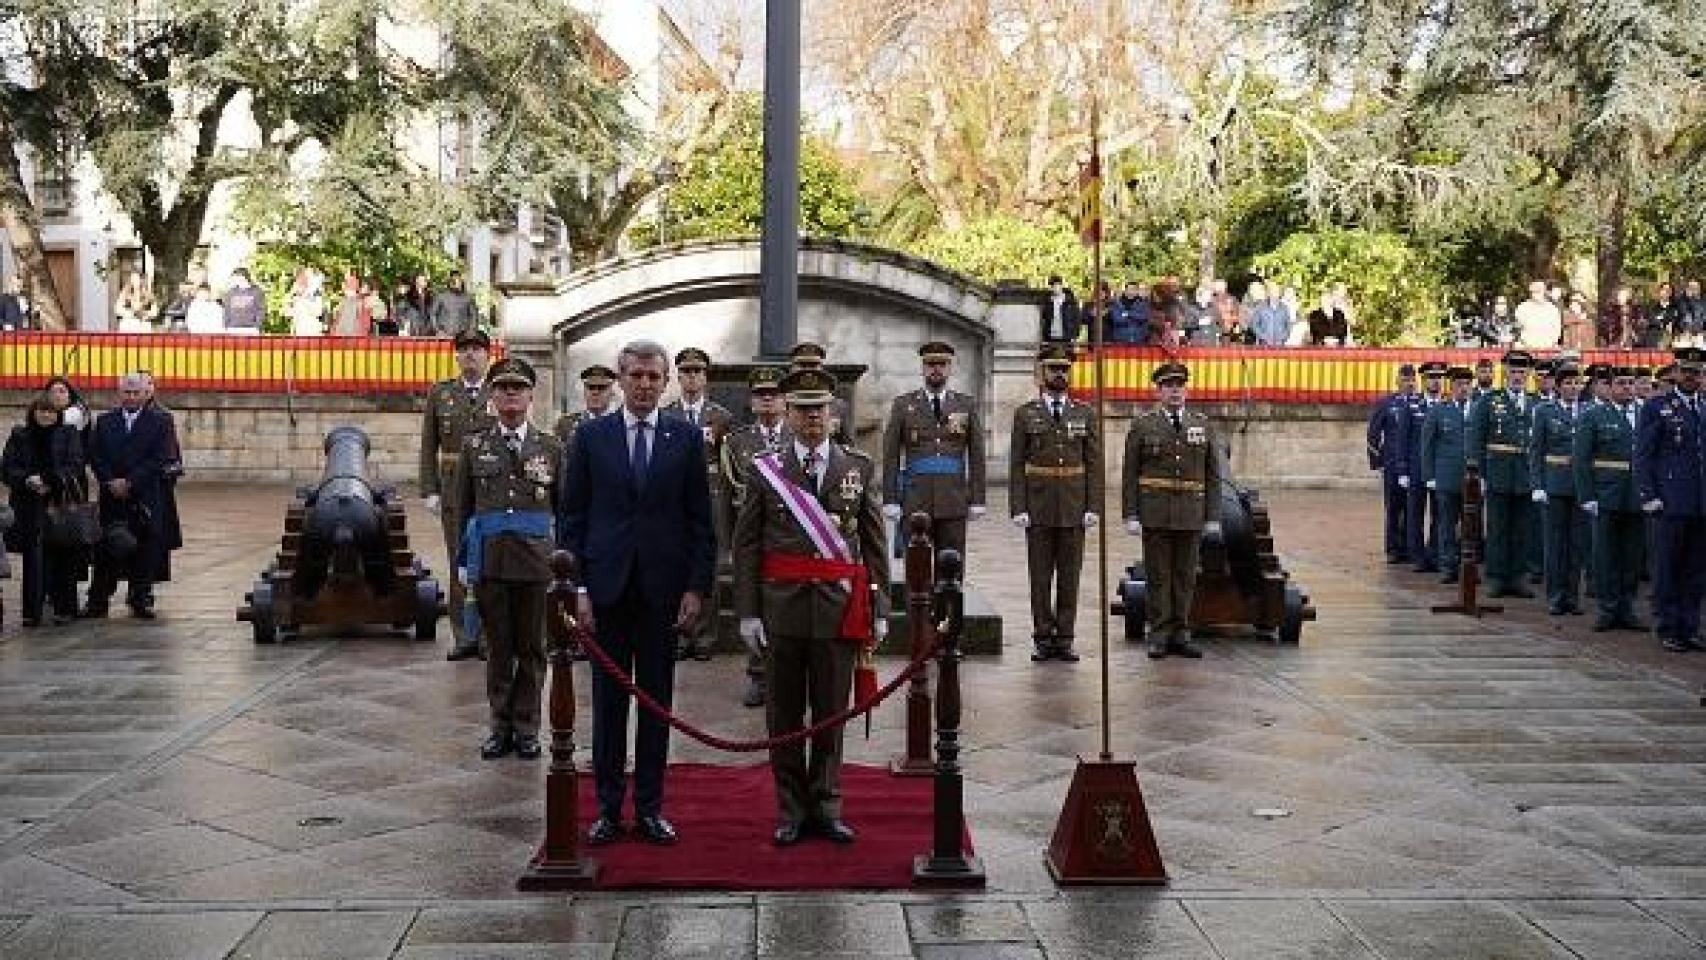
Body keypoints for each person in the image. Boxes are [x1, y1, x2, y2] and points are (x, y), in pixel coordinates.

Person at [559, 339, 715, 847]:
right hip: (605, 589)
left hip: (661, 591)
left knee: (655, 701)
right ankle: (607, 808)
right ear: (621, 380)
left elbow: (700, 522)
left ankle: (650, 807)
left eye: (653, 377)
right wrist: (577, 587)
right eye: (636, 376)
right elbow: (573, 518)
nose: (645, 385)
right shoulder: (591, 437)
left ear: (665, 380)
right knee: (607, 703)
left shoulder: (686, 439)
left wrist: (696, 587)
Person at [732, 366, 886, 847]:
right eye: (801, 408)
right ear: (788, 413)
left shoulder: (857, 468)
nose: (811, 416)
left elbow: (875, 545)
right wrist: (749, 612)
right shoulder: (765, 470)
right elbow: (747, 546)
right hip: (782, 611)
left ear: (833, 413)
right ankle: (791, 809)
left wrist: (879, 610)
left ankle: (827, 803)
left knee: (830, 713)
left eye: (818, 407)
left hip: (840, 610)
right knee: (783, 715)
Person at [451, 357, 560, 761]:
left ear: (531, 395)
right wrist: (463, 561)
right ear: (492, 396)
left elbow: (561, 510)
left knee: (532, 649)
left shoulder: (551, 447)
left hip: (535, 564)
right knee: (497, 649)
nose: (510, 394)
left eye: (518, 387)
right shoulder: (474, 446)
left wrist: (563, 564)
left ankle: (528, 728)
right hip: (491, 562)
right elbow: (462, 509)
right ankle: (500, 726)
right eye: (502, 387)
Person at [1121, 361, 1221, 658]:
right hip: (1156, 511)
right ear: (1159, 390)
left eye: (1180, 386)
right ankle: (1160, 633)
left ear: (1186, 390)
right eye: (1169, 386)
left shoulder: (1201, 424)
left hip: (1190, 512)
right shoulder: (1143, 425)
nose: (1175, 391)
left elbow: (1212, 474)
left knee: (1185, 576)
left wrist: (1212, 516)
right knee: (1158, 575)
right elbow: (1130, 473)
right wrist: (1131, 513)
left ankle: (1181, 631)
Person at [1010, 343, 1100, 662]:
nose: (1059, 374)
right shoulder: (1026, 414)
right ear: (1042, 373)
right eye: (1053, 369)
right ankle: (1042, 637)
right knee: (1040, 576)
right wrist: (1018, 507)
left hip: (1074, 506)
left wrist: (1093, 507)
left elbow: (1094, 464)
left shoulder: (1085, 413)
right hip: (1038, 505)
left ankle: (1065, 637)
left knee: (1070, 576)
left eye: (1064, 369)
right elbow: (1016, 465)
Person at [420, 329, 495, 660]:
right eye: (464, 350)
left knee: (490, 562)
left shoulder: (499, 390)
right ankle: (463, 635)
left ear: (487, 355)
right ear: (456, 356)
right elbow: (428, 445)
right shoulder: (442, 393)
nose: (470, 355)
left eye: (477, 349)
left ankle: (488, 637)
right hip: (452, 488)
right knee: (459, 562)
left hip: (489, 485)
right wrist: (430, 489)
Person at [720, 367, 790, 707]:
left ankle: (790, 676)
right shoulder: (737, 442)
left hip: (791, 535)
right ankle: (759, 674)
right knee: (754, 602)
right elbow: (728, 494)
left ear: (784, 399)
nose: (767, 398)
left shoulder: (798, 437)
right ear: (751, 400)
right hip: (753, 534)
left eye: (774, 393)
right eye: (760, 393)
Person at [881, 342, 986, 561]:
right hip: (916, 498)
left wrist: (977, 498)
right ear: (923, 367)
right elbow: (890, 455)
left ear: (950, 368)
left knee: (952, 567)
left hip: (953, 498)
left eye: (942, 364)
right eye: (930, 364)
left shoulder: (965, 404)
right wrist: (889, 498)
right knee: (916, 570)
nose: (936, 369)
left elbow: (976, 455)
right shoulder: (903, 405)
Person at [662, 347, 734, 662]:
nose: (692, 378)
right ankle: (680, 632)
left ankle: (705, 634)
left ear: (705, 377)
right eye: (686, 372)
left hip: (712, 493)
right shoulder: (667, 415)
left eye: (698, 372)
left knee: (711, 564)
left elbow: (729, 462)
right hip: (675, 495)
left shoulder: (721, 417)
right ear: (678, 377)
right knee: (676, 561)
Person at [82, 372, 173, 619]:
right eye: (126, 392)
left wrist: (131, 482)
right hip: (112, 496)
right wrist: (110, 481)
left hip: (144, 496)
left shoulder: (160, 422)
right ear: (119, 393)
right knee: (106, 549)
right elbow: (95, 455)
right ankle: (98, 600)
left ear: (146, 394)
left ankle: (140, 598)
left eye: (136, 393)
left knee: (146, 548)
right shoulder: (105, 421)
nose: (131, 397)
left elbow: (161, 458)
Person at [1635, 348, 1706, 652]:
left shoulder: (1703, 407)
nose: (1692, 378)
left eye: (1698, 373)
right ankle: (1668, 626)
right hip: (1670, 499)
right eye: (1687, 372)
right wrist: (1648, 494)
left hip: (1700, 501)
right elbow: (1643, 455)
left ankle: (1690, 627)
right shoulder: (1657, 407)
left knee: (1696, 569)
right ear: (1676, 373)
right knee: (1668, 567)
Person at [2, 396, 87, 625]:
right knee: (33, 558)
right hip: (28, 504)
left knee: (63, 554)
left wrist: (50, 480)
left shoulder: (68, 433)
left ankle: (65, 608)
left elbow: (76, 465)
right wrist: (28, 480)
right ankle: (32, 612)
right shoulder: (20, 435)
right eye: (41, 410)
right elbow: (8, 468)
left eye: (51, 411)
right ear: (33, 412)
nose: (46, 415)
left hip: (60, 502)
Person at [1575, 365, 1645, 632]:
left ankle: (1627, 608)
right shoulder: (1594, 416)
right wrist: (1587, 495)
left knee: (1632, 555)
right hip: (1606, 494)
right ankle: (1607, 608)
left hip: (1636, 495)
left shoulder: (1644, 413)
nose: (1627, 388)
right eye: (1621, 383)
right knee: (1605, 555)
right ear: (1610, 386)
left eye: (1631, 383)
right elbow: (1582, 459)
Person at [1466, 350, 1536, 598]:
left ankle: (1517, 577)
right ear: (1505, 373)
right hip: (1497, 472)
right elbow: (1475, 438)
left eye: (1521, 372)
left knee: (1521, 529)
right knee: (1497, 528)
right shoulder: (1489, 401)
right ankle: (1496, 577)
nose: (1517, 376)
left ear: (1528, 374)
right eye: (1513, 372)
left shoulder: (1536, 403)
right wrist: (1478, 474)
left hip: (1525, 475)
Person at [1528, 363, 1589, 615]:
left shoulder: (1589, 410)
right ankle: (1555, 596)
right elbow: (1536, 450)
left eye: (1576, 383)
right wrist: (1537, 484)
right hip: (1554, 483)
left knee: (1576, 545)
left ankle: (1572, 597)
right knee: (1554, 544)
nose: (1573, 387)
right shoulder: (1544, 411)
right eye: (1568, 383)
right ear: (1558, 385)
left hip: (1580, 486)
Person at [1420, 367, 1474, 584]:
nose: (1464, 388)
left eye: (1467, 384)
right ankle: (1448, 565)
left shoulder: (1479, 409)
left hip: (1472, 479)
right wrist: (1429, 476)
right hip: (1446, 477)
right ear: (1451, 387)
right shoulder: (1439, 411)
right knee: (1446, 524)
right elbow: (1427, 445)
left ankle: (1469, 567)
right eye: (1459, 384)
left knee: (1471, 526)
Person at [1367, 364, 1418, 564]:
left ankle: (1410, 546)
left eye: (1412, 380)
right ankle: (1393, 548)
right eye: (1405, 380)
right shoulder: (1387, 404)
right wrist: (1377, 461)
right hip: (1392, 464)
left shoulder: (1420, 404)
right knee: (1394, 507)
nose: (1409, 384)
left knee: (1413, 508)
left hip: (1414, 464)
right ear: (1397, 381)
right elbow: (1373, 433)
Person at [1402, 361, 1446, 572]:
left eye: (1438, 377)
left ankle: (1435, 553)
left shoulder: (1447, 406)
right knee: (1415, 513)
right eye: (1431, 377)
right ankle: (1417, 555)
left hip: (1440, 468)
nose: (1435, 381)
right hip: (1417, 468)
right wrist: (1403, 469)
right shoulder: (1412, 405)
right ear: (1424, 380)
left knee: (1440, 513)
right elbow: (1403, 438)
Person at [553, 365, 619, 450]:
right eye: (590, 388)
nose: (595, 393)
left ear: (612, 392)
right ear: (584, 391)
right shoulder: (566, 425)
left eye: (602, 388)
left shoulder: (621, 423)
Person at [1515, 280, 1562, 349]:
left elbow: (1557, 331)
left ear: (1544, 291)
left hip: (1547, 349)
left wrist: (1551, 343)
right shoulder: (1522, 308)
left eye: (1539, 291)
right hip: (1526, 349)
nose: (1536, 294)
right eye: (1533, 291)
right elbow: (1517, 329)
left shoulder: (1552, 309)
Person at [430, 273, 479, 338]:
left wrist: (471, 330)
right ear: (450, 283)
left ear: (462, 283)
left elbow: (474, 315)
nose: (456, 284)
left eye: (458, 281)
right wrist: (438, 330)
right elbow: (433, 314)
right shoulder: (441, 297)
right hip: (444, 336)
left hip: (462, 337)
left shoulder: (468, 298)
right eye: (454, 281)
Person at [1039, 275, 1082, 344]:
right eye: (1052, 286)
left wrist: (1075, 336)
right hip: (1050, 337)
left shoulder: (1070, 301)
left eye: (1056, 285)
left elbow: (1077, 319)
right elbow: (1043, 319)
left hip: (1066, 337)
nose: (1055, 288)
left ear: (1061, 285)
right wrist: (1043, 336)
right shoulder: (1047, 302)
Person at [222, 268, 265, 335]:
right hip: (233, 328)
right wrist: (226, 325)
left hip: (251, 328)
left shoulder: (257, 292)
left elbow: (261, 310)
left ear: (243, 276)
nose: (234, 280)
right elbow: (226, 310)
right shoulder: (230, 293)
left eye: (236, 277)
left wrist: (257, 326)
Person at [1247, 281, 1289, 346]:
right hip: (1264, 345)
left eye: (1277, 292)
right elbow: (1254, 325)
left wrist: (1283, 337)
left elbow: (1288, 325)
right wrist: (1263, 336)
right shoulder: (1260, 308)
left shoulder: (1284, 308)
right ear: (1269, 293)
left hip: (1280, 345)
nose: (1275, 294)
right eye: (1273, 292)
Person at [286, 268, 325, 336]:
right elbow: (288, 314)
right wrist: (290, 303)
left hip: (312, 332)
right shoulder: (295, 294)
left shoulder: (316, 294)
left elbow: (318, 312)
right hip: (298, 332)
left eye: (305, 278)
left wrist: (302, 299)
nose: (300, 281)